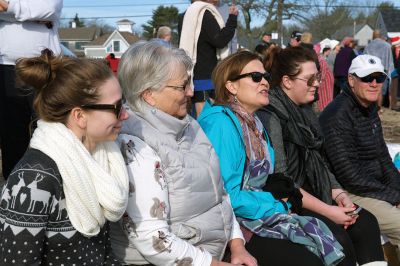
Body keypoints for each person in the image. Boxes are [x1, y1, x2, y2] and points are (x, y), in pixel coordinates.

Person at [110, 41, 256, 266]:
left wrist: (237, 246)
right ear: (149, 94)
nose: (191, 91)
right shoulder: (135, 145)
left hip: (215, 251)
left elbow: (219, 194)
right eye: (182, 86)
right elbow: (152, 239)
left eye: (190, 82)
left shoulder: (189, 125)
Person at [199, 50, 347, 266]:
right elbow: (226, 196)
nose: (265, 83)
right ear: (231, 86)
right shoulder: (221, 124)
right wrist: (277, 203)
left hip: (261, 212)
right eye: (256, 77)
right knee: (308, 259)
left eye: (266, 77)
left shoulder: (254, 122)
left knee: (335, 242)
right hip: (235, 227)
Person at [256, 46, 386, 266]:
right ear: (287, 81)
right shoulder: (271, 116)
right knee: (338, 237)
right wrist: (329, 211)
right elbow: (283, 182)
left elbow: (321, 161)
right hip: (291, 201)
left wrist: (340, 195)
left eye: (318, 77)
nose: (317, 83)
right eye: (310, 79)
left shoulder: (306, 110)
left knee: (366, 222)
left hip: (318, 193)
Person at [0, 49, 130, 264]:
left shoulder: (100, 160)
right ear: (79, 115)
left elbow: (105, 256)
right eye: (116, 107)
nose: (125, 114)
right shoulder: (33, 181)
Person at [320, 54, 400, 255]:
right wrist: (393, 196)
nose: (374, 84)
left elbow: (383, 157)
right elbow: (349, 174)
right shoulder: (337, 115)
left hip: (372, 186)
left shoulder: (369, 107)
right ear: (351, 80)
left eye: (379, 78)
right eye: (367, 78)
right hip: (349, 192)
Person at [0, 0, 63, 179]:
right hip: (6, 66)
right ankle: (12, 182)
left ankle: (51, 179)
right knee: (11, 132)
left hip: (45, 65)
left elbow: (49, 8)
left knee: (48, 126)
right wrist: (30, 16)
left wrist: (8, 10)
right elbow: (40, 11)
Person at [179, 0, 238, 117]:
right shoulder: (204, 14)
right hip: (206, 76)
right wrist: (232, 19)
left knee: (196, 118)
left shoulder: (185, 15)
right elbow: (220, 40)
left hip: (192, 72)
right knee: (207, 119)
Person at [364, 29, 394, 110]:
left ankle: (372, 107)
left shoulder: (368, 46)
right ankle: (379, 108)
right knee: (380, 90)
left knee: (371, 89)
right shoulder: (387, 46)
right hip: (382, 70)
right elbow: (390, 61)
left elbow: (364, 58)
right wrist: (390, 72)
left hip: (370, 70)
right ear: (380, 35)